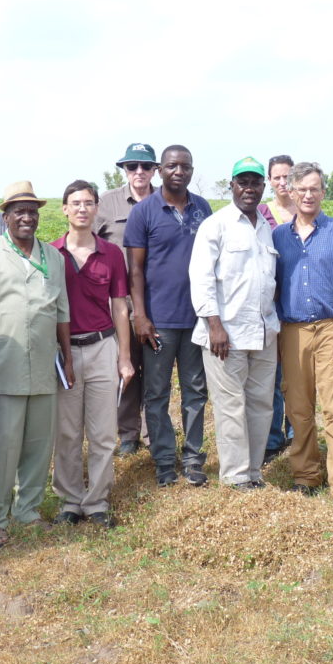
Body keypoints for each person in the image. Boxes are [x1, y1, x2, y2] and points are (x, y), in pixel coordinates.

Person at [0, 181, 73, 547]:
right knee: (4, 445)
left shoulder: (52, 257)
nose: (27, 217)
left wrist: (67, 358)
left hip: (44, 363)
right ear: (6, 216)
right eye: (19, 211)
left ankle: (28, 511)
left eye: (33, 211)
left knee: (40, 444)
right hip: (2, 363)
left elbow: (61, 313)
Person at [273, 162, 333, 510]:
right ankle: (305, 475)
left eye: (315, 188)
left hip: (331, 329)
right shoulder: (279, 237)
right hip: (293, 332)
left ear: (323, 192)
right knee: (298, 409)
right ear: (291, 192)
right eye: (302, 189)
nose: (308, 195)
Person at [189, 157, 279, 489]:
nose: (249, 188)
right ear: (232, 186)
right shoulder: (216, 225)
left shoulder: (266, 228)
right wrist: (214, 325)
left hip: (264, 332)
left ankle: (254, 473)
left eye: (255, 182)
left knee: (260, 406)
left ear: (262, 187)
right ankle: (236, 475)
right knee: (230, 407)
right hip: (225, 334)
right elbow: (201, 279)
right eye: (243, 182)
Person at [125, 145, 212, 487]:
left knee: (195, 391)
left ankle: (192, 459)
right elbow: (135, 270)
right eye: (172, 166)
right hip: (158, 321)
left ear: (192, 170)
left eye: (185, 166)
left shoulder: (202, 208)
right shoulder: (144, 212)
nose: (179, 171)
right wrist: (140, 316)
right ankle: (163, 460)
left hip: (196, 319)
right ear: (160, 170)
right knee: (157, 394)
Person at [50, 180, 134, 528]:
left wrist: (124, 358)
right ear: (65, 209)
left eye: (88, 202)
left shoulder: (111, 253)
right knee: (67, 431)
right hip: (65, 351)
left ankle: (96, 501)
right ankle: (70, 500)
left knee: (102, 431)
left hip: (102, 347)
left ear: (97, 208)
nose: (82, 208)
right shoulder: (50, 254)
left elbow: (119, 308)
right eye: (75, 203)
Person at [94, 142, 158, 455]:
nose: (139, 172)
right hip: (120, 303)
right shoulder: (107, 203)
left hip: (158, 302)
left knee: (156, 368)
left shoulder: (165, 201)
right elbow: (89, 245)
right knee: (126, 365)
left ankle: (153, 432)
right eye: (132, 166)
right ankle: (129, 433)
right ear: (124, 169)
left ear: (155, 169)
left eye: (145, 166)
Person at [263, 154, 295, 464]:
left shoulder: (307, 210)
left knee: (297, 373)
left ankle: (296, 434)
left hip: (299, 303)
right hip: (270, 303)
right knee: (273, 374)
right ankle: (272, 439)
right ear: (269, 181)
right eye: (277, 178)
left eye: (288, 177)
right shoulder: (261, 214)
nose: (283, 183)